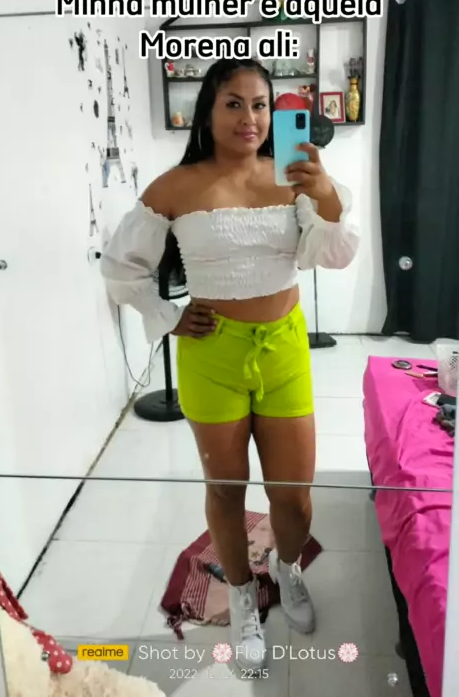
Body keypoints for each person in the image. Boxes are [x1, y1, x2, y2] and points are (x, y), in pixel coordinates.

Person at [100, 58, 359, 670]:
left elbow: (334, 254)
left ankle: (287, 570)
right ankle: (243, 597)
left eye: (260, 105)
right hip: (211, 353)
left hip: (284, 349)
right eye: (234, 103)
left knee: (294, 497)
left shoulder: (294, 176)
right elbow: (120, 267)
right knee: (225, 488)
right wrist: (167, 317)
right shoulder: (174, 187)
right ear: (208, 112)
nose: (250, 118)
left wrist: (326, 198)